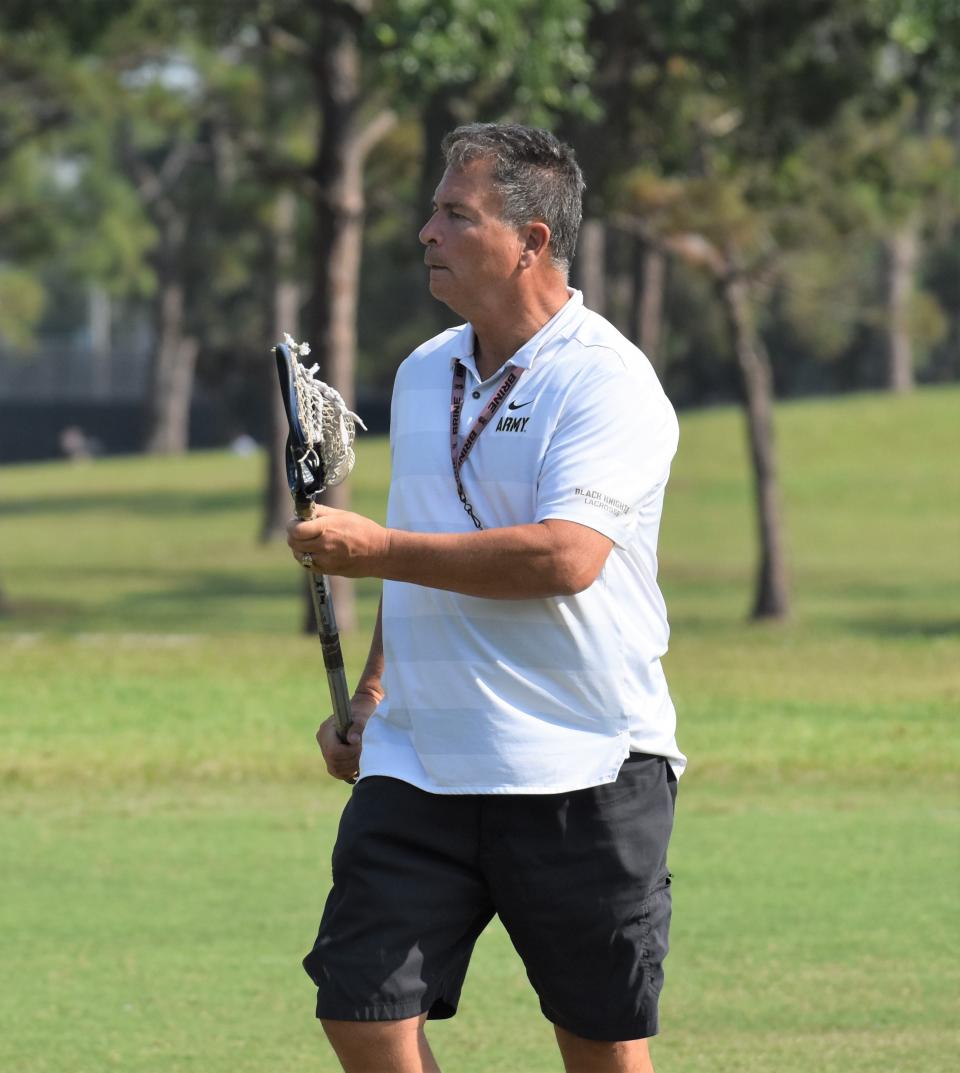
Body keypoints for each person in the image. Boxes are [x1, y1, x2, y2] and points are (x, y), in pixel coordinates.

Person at [287, 122, 684, 1073]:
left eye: (455, 214)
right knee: (361, 1006)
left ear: (532, 241)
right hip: (422, 758)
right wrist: (375, 694)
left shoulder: (609, 380)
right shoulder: (426, 374)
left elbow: (565, 559)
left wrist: (375, 548)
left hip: (584, 760)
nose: (426, 231)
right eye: (432, 210)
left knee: (601, 1048)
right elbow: (421, 544)